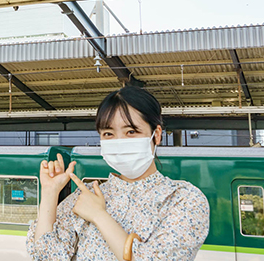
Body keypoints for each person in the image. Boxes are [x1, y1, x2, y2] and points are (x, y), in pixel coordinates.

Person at [27, 86, 210, 260]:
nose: (120, 142)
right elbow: (46, 256)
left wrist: (99, 215)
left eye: (131, 131)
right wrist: (50, 193)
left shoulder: (183, 199)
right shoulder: (86, 194)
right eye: (108, 134)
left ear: (157, 135)